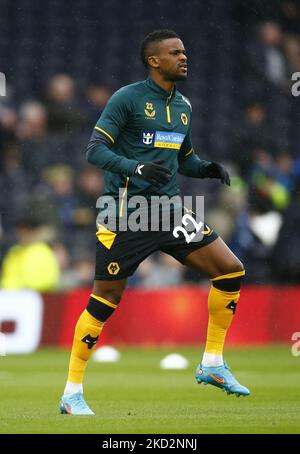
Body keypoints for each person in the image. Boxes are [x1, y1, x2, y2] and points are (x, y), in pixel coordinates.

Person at [60, 30, 249, 416]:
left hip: (169, 210)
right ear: (153, 60)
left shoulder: (183, 106)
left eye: (185, 52)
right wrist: (135, 167)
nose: (184, 57)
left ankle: (212, 364)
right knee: (106, 299)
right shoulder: (127, 99)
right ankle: (71, 392)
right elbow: (94, 150)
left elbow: (183, 158)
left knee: (230, 270)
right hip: (126, 213)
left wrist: (208, 168)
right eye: (175, 52)